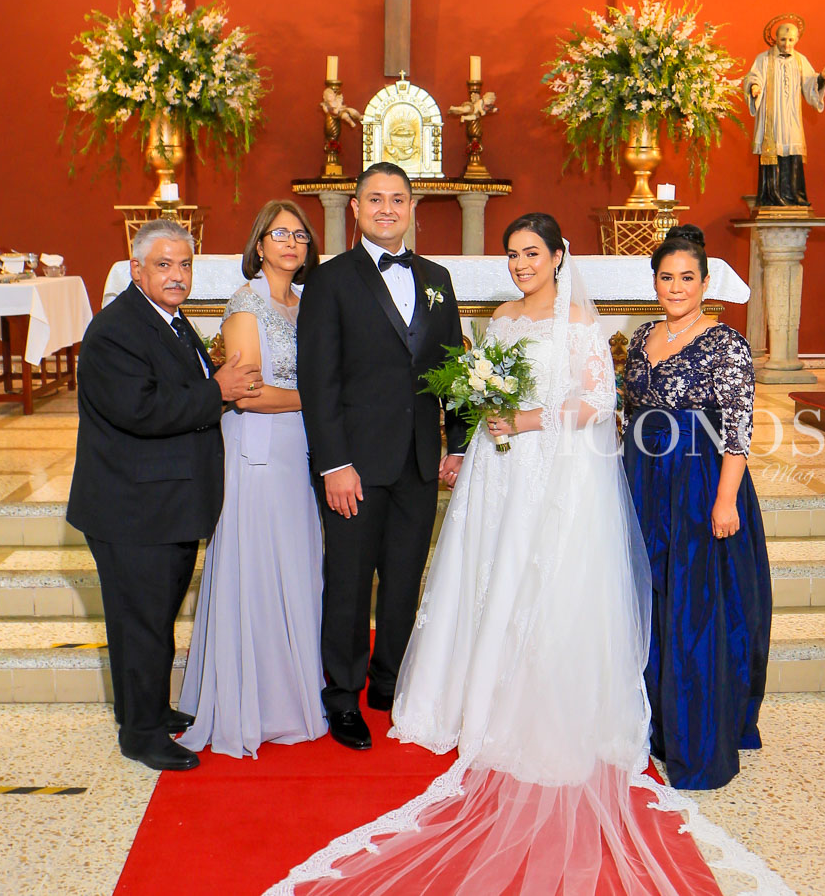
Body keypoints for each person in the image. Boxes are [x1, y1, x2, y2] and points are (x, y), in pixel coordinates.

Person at [265, 215, 722, 894]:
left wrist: (527, 420)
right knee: (483, 574)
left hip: (552, 471)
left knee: (534, 579)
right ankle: (463, 693)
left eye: (532, 253)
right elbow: (471, 389)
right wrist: (478, 416)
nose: (520, 264)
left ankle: (526, 703)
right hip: (496, 467)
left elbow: (599, 400)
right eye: (512, 254)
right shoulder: (501, 317)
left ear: (559, 256)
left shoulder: (578, 322)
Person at [67, 220, 263, 771]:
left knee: (154, 619)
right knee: (141, 624)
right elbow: (140, 410)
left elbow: (174, 388)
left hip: (164, 505)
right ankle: (142, 734)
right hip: (132, 509)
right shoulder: (116, 329)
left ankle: (148, 708)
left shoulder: (169, 320)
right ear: (136, 269)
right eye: (164, 265)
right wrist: (218, 390)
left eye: (185, 265)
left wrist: (213, 386)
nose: (177, 276)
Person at [296, 162, 467, 752]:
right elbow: (318, 380)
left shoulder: (438, 278)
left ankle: (389, 679)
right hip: (355, 464)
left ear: (412, 207)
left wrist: (458, 443)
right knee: (348, 581)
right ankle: (342, 695)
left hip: (418, 459)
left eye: (397, 199)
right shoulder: (329, 280)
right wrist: (333, 463)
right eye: (375, 199)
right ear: (356, 208)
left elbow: (455, 368)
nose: (387, 209)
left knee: (403, 578)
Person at [621, 224, 772, 790]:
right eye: (667, 277)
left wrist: (726, 499)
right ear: (654, 282)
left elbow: (737, 428)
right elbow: (628, 410)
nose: (677, 287)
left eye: (688, 277)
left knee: (694, 607)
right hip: (644, 479)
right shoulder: (641, 335)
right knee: (650, 598)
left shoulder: (725, 342)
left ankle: (698, 738)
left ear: (706, 283)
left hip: (699, 482)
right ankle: (654, 726)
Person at [178, 200, 328, 758]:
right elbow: (246, 392)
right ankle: (257, 702)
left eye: (300, 235)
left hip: (300, 448)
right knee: (260, 563)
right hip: (258, 449)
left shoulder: (307, 303)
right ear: (259, 245)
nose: (291, 243)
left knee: (295, 561)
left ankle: (293, 687)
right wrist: (320, 400)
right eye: (279, 234)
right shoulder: (246, 305)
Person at [744, 19, 825, 207]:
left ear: (797, 40)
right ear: (775, 38)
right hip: (772, 116)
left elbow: (810, 84)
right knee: (774, 151)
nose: (787, 44)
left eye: (791, 40)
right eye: (783, 39)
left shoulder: (800, 60)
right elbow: (753, 77)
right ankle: (772, 196)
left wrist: (821, 76)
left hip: (791, 115)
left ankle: (794, 196)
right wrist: (754, 87)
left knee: (793, 153)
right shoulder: (763, 59)